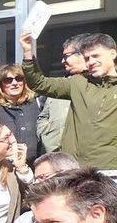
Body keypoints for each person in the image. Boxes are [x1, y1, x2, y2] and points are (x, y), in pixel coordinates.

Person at [22, 30, 117, 169]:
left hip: (110, 169)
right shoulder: (78, 82)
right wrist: (27, 52)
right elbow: (39, 83)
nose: (91, 62)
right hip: (75, 169)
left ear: (113, 53)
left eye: (96, 56)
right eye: (87, 58)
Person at [3, 152, 80, 223]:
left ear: (68, 175)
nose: (35, 184)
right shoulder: (25, 220)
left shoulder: (84, 216)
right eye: (35, 179)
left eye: (42, 177)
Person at [37, 34, 88, 154]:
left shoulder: (100, 85)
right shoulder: (60, 86)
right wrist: (45, 136)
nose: (62, 61)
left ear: (83, 54)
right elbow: (43, 116)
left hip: (87, 156)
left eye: (66, 56)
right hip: (57, 155)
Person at [0, 64, 41, 169]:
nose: (15, 83)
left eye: (19, 79)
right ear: (0, 84)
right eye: (8, 80)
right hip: (6, 168)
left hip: (37, 166)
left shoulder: (37, 103)